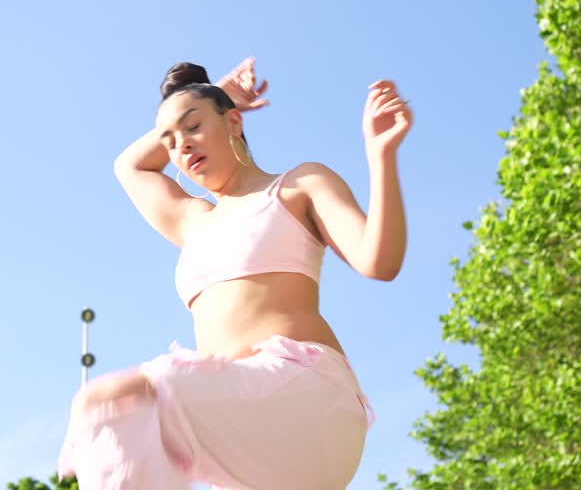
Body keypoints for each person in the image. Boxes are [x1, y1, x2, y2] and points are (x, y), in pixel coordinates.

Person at [57, 58, 412, 489]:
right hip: (239, 432)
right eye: (170, 142)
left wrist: (381, 155)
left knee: (111, 398)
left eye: (194, 127)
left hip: (308, 401)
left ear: (234, 123)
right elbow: (128, 167)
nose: (182, 147)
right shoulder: (192, 221)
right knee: (111, 420)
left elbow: (380, 262)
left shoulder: (297, 186)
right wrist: (212, 95)